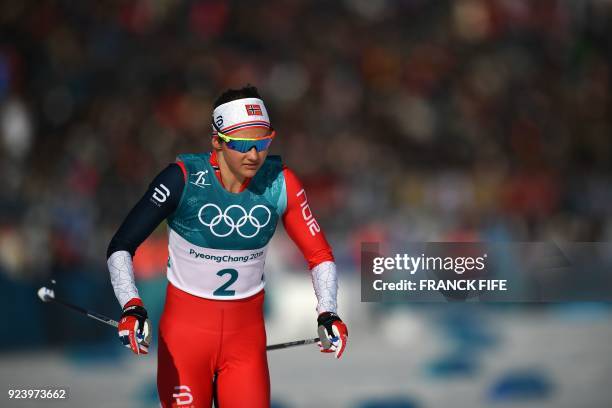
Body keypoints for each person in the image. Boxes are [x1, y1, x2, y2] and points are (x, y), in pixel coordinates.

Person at [106, 85, 348, 407]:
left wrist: (328, 311)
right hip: (185, 343)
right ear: (217, 142)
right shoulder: (181, 179)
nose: (254, 155)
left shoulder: (281, 182)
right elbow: (121, 245)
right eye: (243, 144)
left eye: (262, 142)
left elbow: (319, 255)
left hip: (244, 347)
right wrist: (132, 305)